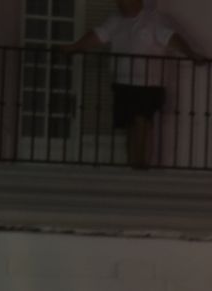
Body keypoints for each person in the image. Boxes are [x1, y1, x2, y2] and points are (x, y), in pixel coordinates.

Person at [60, 0, 203, 169]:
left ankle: (140, 165)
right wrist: (74, 47)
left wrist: (192, 54)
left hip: (148, 83)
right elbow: (98, 35)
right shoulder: (116, 20)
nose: (119, 3)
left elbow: (172, 38)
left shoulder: (154, 19)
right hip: (123, 82)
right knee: (130, 123)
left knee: (141, 121)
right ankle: (134, 164)